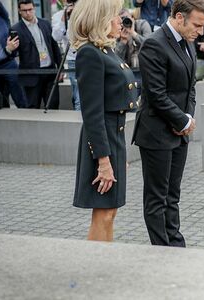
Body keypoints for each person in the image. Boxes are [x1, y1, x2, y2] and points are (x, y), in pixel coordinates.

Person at [131, 0, 204, 247]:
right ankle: (162, 249)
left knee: (172, 195)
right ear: (178, 17)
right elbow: (156, 94)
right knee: (157, 197)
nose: (201, 31)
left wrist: (186, 120)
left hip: (179, 132)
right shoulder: (154, 44)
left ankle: (175, 243)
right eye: (197, 25)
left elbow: (190, 88)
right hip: (156, 133)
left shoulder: (188, 43)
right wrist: (181, 119)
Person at [69, 0, 138, 242]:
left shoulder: (105, 50)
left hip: (113, 138)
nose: (120, 20)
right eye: (114, 16)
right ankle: (94, 271)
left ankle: (105, 265)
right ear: (99, 19)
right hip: (101, 142)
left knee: (110, 211)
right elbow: (92, 113)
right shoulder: (89, 53)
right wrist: (104, 161)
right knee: (103, 214)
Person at [12, 0, 62, 109]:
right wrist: (9, 49)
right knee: (32, 108)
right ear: (19, 11)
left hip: (50, 72)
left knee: (53, 107)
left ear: (34, 8)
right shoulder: (15, 29)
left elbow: (55, 48)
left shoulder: (45, 23)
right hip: (31, 75)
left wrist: (60, 68)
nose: (28, 13)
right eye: (24, 10)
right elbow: (13, 54)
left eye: (30, 9)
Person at [52, 0, 80, 110]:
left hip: (88, 56)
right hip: (73, 59)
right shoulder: (58, 16)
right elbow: (56, 37)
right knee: (77, 94)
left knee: (80, 94)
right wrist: (65, 17)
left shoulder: (85, 13)